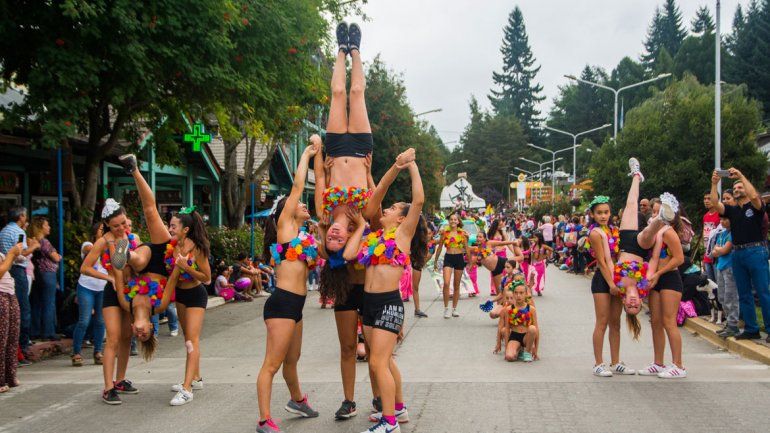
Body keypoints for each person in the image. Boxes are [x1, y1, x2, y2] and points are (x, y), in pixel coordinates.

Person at [356, 161, 425, 433]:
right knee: (382, 361)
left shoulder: (403, 235)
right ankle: (398, 408)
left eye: (394, 208)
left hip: (388, 304)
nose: (387, 209)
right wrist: (385, 169)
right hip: (368, 305)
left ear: (401, 219)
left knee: (378, 363)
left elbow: (418, 200)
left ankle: (390, 423)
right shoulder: (374, 237)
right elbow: (377, 196)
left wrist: (411, 165)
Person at [257, 143, 320, 433]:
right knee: (271, 364)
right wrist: (307, 154)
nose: (304, 204)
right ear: (287, 211)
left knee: (291, 361)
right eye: (299, 202)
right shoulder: (286, 227)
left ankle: (297, 400)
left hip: (296, 307)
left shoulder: (303, 236)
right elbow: (297, 186)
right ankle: (264, 420)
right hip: (282, 304)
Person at [79, 198, 141, 404]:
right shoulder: (104, 241)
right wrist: (110, 278)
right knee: (113, 338)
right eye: (116, 226)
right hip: (112, 293)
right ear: (107, 224)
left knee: (126, 337)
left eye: (123, 223)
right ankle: (108, 387)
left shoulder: (132, 238)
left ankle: (120, 380)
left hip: (131, 291)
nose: (121, 228)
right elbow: (85, 267)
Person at [709, 169, 770, 342]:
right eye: (734, 188)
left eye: (740, 187)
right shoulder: (732, 210)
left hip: (755, 251)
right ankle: (751, 328)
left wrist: (742, 176)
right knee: (743, 293)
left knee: (763, 291)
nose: (736, 189)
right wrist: (714, 183)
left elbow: (755, 196)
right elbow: (715, 203)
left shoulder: (755, 207)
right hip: (738, 253)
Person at [166, 207, 213, 406]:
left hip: (195, 295)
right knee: (188, 339)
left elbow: (207, 278)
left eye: (173, 226)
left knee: (191, 341)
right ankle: (196, 378)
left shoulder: (197, 249)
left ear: (185, 229)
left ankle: (187, 389)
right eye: (169, 225)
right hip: (180, 295)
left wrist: (187, 268)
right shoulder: (173, 246)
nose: (170, 229)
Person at [585, 195, 635, 377]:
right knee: (602, 322)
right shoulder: (595, 233)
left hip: (617, 277)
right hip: (603, 280)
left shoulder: (614, 230)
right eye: (599, 213)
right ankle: (598, 363)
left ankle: (616, 361)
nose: (603, 216)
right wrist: (611, 284)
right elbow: (602, 261)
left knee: (616, 322)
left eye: (606, 212)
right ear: (592, 214)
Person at [641, 195, 686, 379]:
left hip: (669, 279)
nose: (654, 215)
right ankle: (658, 362)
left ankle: (678, 365)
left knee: (669, 322)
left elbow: (679, 258)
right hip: (656, 280)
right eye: (653, 212)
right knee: (656, 322)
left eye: (658, 212)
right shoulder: (654, 232)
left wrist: (659, 273)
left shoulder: (668, 232)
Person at [0, 206, 39, 355]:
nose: (26, 218)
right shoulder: (18, 231)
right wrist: (34, 246)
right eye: (25, 215)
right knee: (22, 307)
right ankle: (22, 346)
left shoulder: (3, 231)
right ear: (21, 216)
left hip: (6, 270)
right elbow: (21, 254)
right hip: (17, 270)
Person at [72, 223, 108, 367]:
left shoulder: (110, 246)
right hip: (86, 287)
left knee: (100, 321)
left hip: (102, 288)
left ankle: (98, 352)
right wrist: (105, 244)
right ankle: (76, 352)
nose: (103, 231)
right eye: (101, 229)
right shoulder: (88, 244)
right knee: (84, 321)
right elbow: (89, 249)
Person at [28, 217, 61, 341]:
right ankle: (48, 332)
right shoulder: (45, 242)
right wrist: (58, 256)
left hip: (37, 273)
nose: (49, 227)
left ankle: (35, 330)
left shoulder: (33, 241)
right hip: (48, 273)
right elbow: (56, 257)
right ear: (41, 227)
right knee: (49, 302)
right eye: (47, 225)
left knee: (36, 302)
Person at [433, 213, 471, 319]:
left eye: (455, 219)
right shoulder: (445, 232)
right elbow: (440, 247)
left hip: (459, 258)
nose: (453, 221)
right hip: (448, 258)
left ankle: (454, 309)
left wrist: (470, 262)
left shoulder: (462, 233)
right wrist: (435, 261)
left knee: (456, 285)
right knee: (446, 283)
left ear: (458, 222)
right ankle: (446, 308)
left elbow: (467, 248)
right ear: (449, 221)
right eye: (451, 219)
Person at [0, 241, 23, 393]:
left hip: (9, 293)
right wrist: (11, 254)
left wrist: (13, 256)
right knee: (1, 339)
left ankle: (10, 375)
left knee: (12, 338)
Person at [711, 216, 739, 338]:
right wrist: (719, 250)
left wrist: (719, 250)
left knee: (730, 296)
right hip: (720, 266)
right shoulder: (722, 234)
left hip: (729, 267)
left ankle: (733, 324)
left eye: (725, 219)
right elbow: (714, 251)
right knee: (722, 296)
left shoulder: (733, 234)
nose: (722, 222)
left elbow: (724, 250)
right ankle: (728, 322)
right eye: (721, 219)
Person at [501, 280, 538, 362]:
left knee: (532, 328)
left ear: (526, 294)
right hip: (515, 336)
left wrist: (536, 349)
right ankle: (519, 349)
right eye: (516, 293)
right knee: (510, 357)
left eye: (521, 293)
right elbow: (507, 329)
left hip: (526, 337)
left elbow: (537, 330)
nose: (518, 295)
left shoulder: (531, 309)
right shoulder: (508, 309)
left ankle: (527, 352)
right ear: (513, 294)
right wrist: (507, 348)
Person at [701, 192, 721, 282]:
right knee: (710, 283)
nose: (706, 201)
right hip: (707, 255)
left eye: (709, 198)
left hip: (717, 254)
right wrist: (704, 255)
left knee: (719, 282)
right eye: (705, 199)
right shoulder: (705, 216)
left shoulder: (720, 214)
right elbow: (705, 236)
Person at [525, 233, 552, 297]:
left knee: (539, 278)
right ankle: (530, 290)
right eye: (534, 237)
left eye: (535, 237)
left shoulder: (543, 246)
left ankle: (538, 290)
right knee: (532, 277)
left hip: (540, 265)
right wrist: (522, 253)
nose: (534, 239)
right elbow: (529, 251)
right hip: (533, 265)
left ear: (539, 238)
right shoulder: (533, 245)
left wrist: (545, 256)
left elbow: (551, 249)